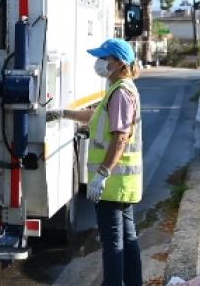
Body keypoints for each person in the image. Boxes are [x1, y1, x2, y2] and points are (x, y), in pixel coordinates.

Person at [60, 38, 144, 286]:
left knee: (113, 243)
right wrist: (64, 114)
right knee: (127, 239)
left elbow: (120, 138)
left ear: (118, 63)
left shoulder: (120, 92)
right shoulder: (120, 88)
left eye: (104, 58)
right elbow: (95, 116)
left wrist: (102, 175)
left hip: (112, 183)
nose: (99, 63)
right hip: (122, 183)